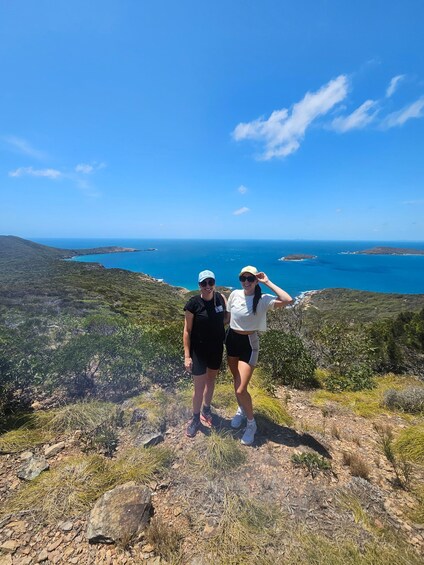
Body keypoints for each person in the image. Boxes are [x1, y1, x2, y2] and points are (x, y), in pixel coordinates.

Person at [226, 266, 292, 445]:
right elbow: (228, 318)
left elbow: (288, 299)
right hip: (231, 340)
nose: (246, 282)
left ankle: (251, 423)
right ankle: (241, 408)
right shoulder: (234, 294)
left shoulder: (263, 299)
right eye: (243, 278)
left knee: (241, 388)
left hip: (249, 344)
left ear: (256, 280)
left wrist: (267, 281)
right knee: (236, 380)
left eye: (250, 279)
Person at [183, 270, 228, 437]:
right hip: (198, 351)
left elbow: (226, 318)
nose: (208, 286)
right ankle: (195, 419)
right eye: (204, 283)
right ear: (199, 285)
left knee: (211, 380)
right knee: (199, 386)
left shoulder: (221, 299)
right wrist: (187, 356)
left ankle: (206, 410)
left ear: (214, 283)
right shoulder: (193, 304)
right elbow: (187, 331)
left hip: (216, 348)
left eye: (210, 282)